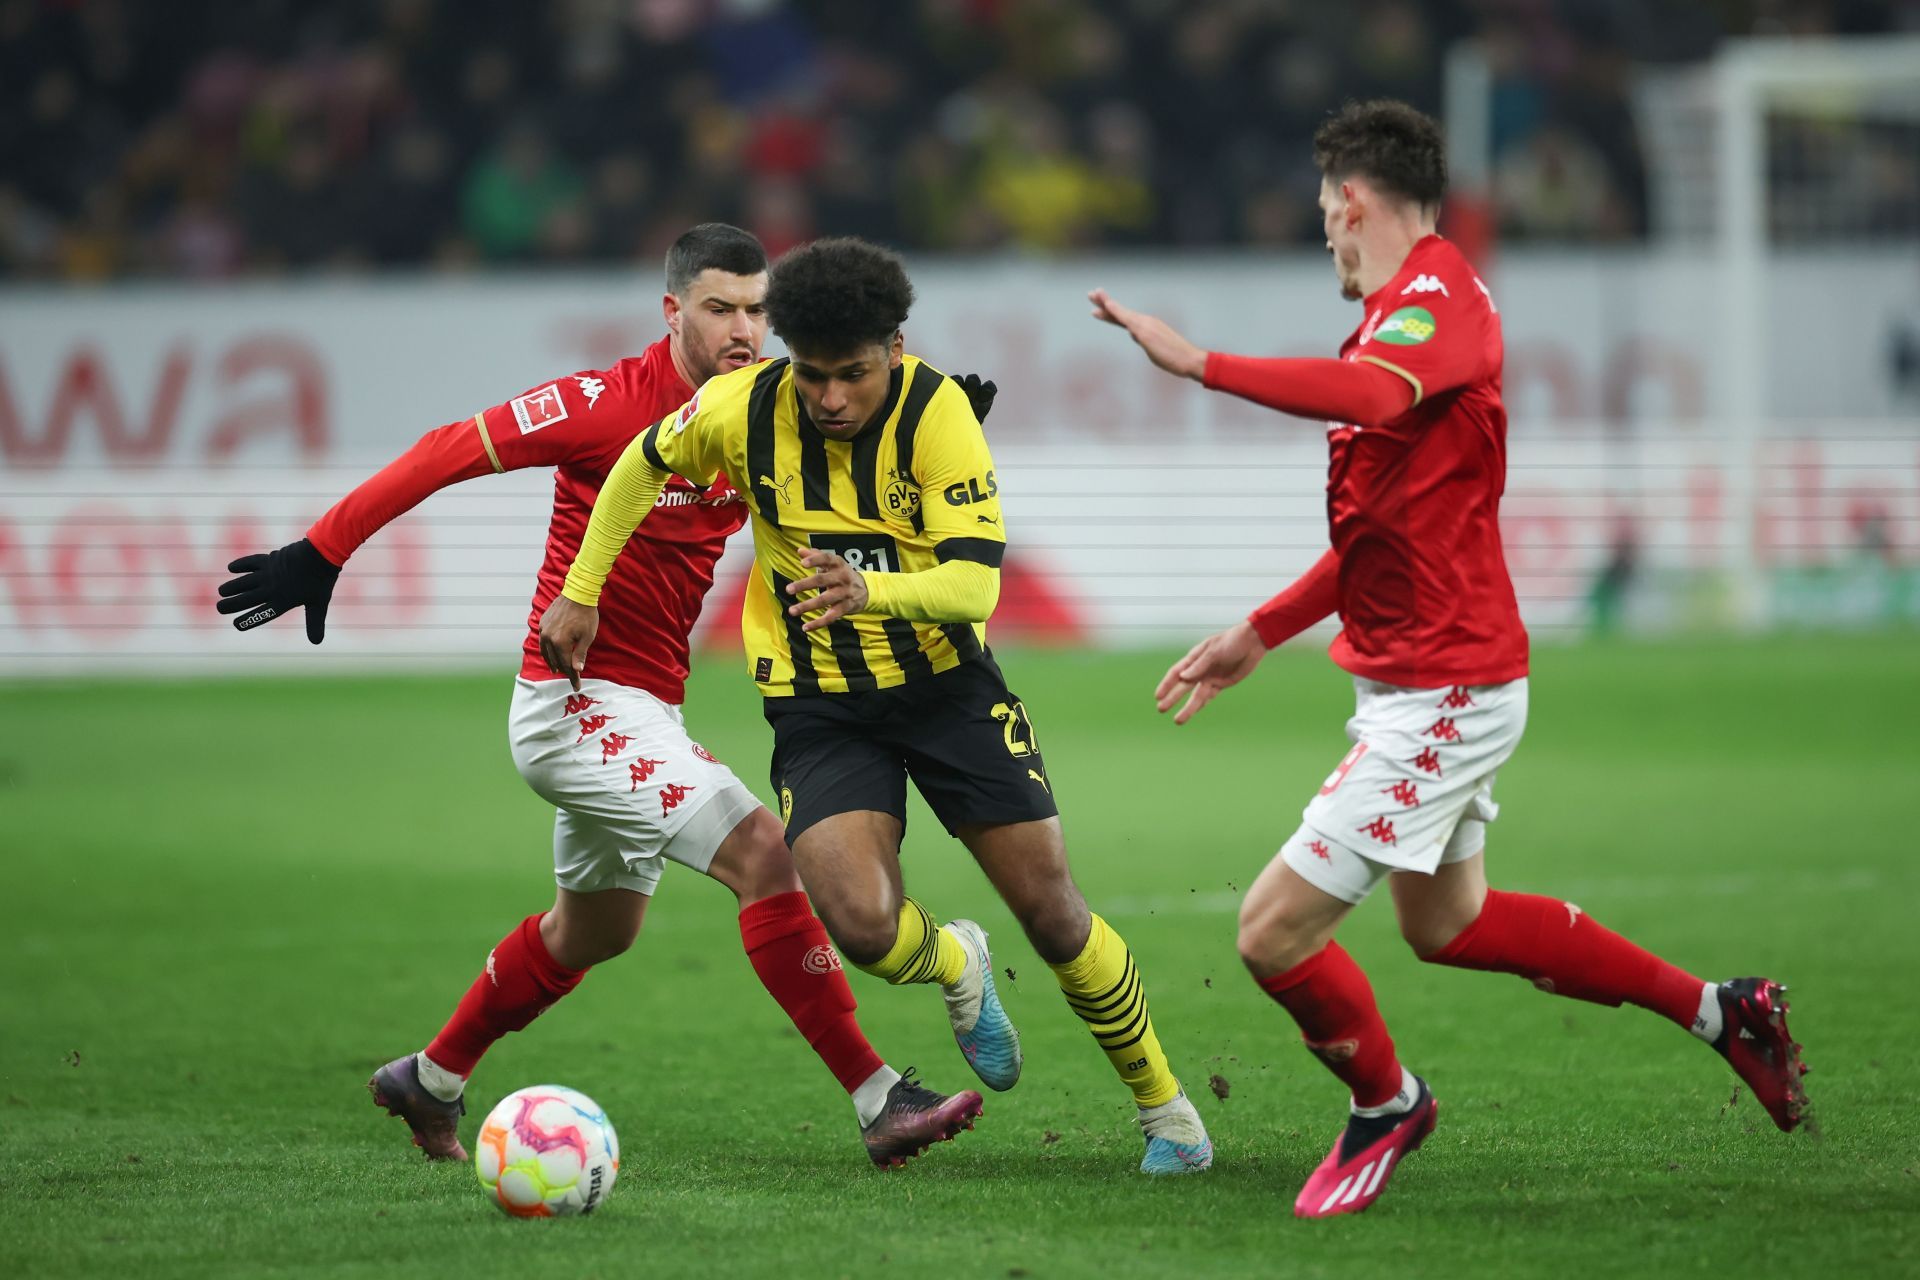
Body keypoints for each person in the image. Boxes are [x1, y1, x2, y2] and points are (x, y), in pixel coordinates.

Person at [1088, 100, 1808, 1216]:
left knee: (1271, 930)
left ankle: (1388, 1103)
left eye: (1327, 213)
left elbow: (1375, 399)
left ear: (1353, 201)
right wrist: (1259, 632)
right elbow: (1376, 537)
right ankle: (1724, 1009)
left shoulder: (1440, 300)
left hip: (1448, 686)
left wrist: (1203, 363)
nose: (1325, 233)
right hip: (1421, 677)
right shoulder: (1392, 321)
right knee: (1450, 925)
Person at [217, 223, 992, 1170]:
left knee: (593, 932)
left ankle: (431, 1076)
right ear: (674, 312)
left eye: (758, 311)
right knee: (763, 853)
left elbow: (864, 484)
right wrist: (323, 548)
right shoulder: (606, 403)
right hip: (573, 699)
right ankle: (881, 1099)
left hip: (646, 708)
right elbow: (448, 448)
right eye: (721, 310)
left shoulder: (768, 411)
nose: (746, 331)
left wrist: (918, 425)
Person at [540, 236, 1215, 1175]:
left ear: (894, 347)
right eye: (812, 374)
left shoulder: (940, 414)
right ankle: (956, 964)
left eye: (852, 374)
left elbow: (976, 589)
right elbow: (637, 466)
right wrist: (582, 587)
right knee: (861, 927)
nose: (830, 398)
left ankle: (1167, 1110)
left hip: (946, 691)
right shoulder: (740, 407)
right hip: (821, 704)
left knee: (1056, 917)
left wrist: (871, 592)